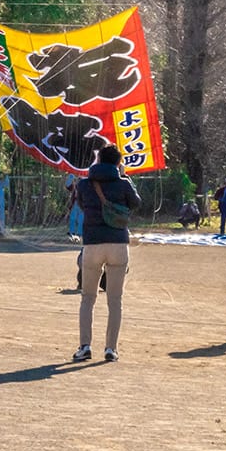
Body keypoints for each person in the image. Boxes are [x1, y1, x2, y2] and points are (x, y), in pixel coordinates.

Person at [73, 145, 139, 363]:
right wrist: (124, 179)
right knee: (115, 300)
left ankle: (85, 346)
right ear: (118, 162)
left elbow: (82, 205)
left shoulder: (84, 184)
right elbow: (136, 204)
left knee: (88, 298)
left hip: (92, 243)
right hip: (118, 243)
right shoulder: (123, 183)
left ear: (98, 159)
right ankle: (111, 349)